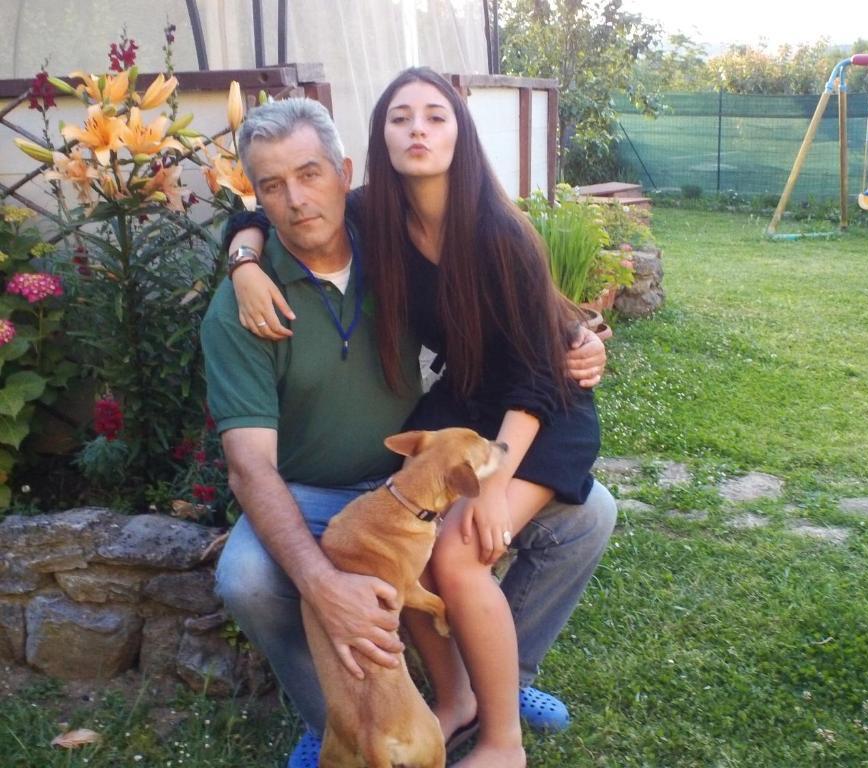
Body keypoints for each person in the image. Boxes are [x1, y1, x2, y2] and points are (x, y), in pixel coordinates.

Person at [203, 93, 616, 768]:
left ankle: (497, 687)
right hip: (314, 492)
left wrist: (577, 333)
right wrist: (243, 262)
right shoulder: (244, 305)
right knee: (247, 578)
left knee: (589, 514)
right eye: (273, 185)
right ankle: (334, 720)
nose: (297, 200)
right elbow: (249, 468)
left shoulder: (386, 235)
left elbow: (521, 307)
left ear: (342, 173)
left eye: (310, 174)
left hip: (416, 464)